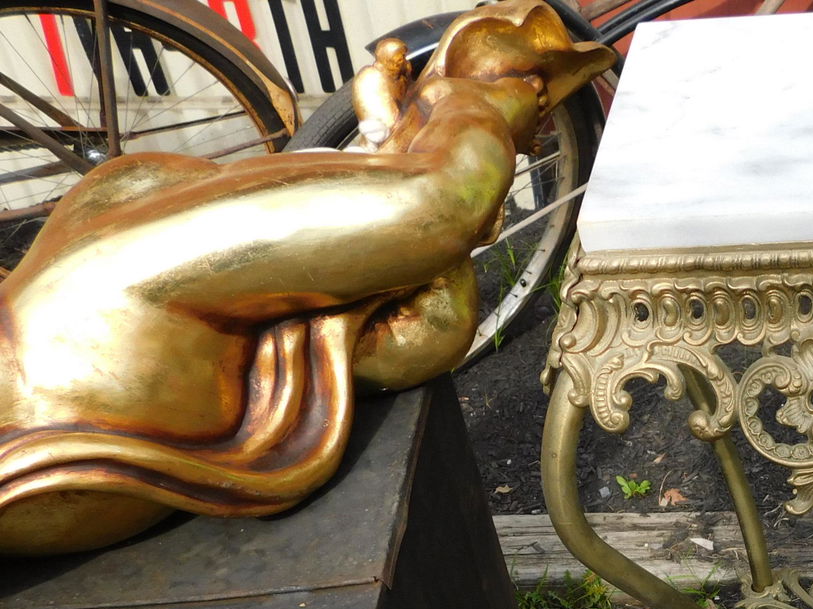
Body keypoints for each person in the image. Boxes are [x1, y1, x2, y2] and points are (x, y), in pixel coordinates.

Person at [0, 0, 611, 556]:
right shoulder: (105, 299)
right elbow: (438, 216)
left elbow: (420, 310)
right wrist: (489, 99)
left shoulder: (110, 259)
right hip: (70, 358)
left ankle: (426, 128)